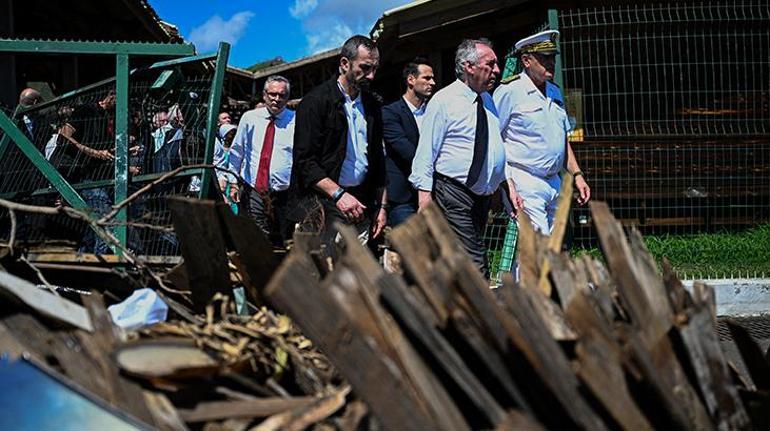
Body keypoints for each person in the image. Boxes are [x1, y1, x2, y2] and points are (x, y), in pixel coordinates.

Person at [410, 38, 507, 278]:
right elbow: (426, 151)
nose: (496, 70)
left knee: (462, 258)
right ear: (468, 66)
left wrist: (502, 184)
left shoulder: (487, 100)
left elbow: (493, 146)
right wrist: (424, 196)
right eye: (490, 64)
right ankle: (483, 310)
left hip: (481, 197)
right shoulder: (444, 101)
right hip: (454, 192)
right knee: (475, 262)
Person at [289, 35, 387, 252]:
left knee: (356, 280)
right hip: (322, 206)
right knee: (323, 276)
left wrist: (382, 207)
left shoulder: (373, 105)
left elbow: (378, 161)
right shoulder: (315, 103)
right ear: (344, 64)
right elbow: (305, 162)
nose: (371, 76)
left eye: (375, 68)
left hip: (361, 206)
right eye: (365, 67)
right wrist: (339, 195)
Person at [493, 30, 590, 235]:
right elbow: (494, 138)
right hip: (525, 178)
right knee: (538, 247)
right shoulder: (510, 91)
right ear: (527, 61)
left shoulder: (554, 91)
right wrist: (506, 182)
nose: (551, 63)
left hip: (554, 181)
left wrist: (578, 175)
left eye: (552, 57)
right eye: (544, 58)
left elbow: (561, 140)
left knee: (551, 248)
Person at [228, 75, 296, 244]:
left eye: (282, 95)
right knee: (257, 236)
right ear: (265, 95)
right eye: (272, 94)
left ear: (287, 97)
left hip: (284, 194)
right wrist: (233, 182)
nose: (276, 99)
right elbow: (237, 152)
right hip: (254, 189)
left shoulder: (297, 120)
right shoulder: (249, 118)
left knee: (283, 238)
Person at [382, 57, 435, 226]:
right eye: (427, 78)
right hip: (403, 198)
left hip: (435, 192)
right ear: (411, 80)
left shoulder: (436, 112)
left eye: (433, 78)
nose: (432, 82)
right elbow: (409, 153)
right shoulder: (390, 113)